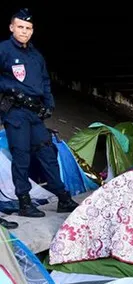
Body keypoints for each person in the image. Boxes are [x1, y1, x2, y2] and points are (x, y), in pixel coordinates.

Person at [0, 8, 78, 217]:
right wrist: (10, 89)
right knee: (22, 157)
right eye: (20, 27)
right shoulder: (4, 50)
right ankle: (24, 202)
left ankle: (63, 198)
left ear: (32, 31)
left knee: (47, 154)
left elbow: (45, 81)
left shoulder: (36, 56)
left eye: (28, 28)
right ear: (11, 28)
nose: (24, 31)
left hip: (35, 113)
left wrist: (49, 105)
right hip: (15, 112)